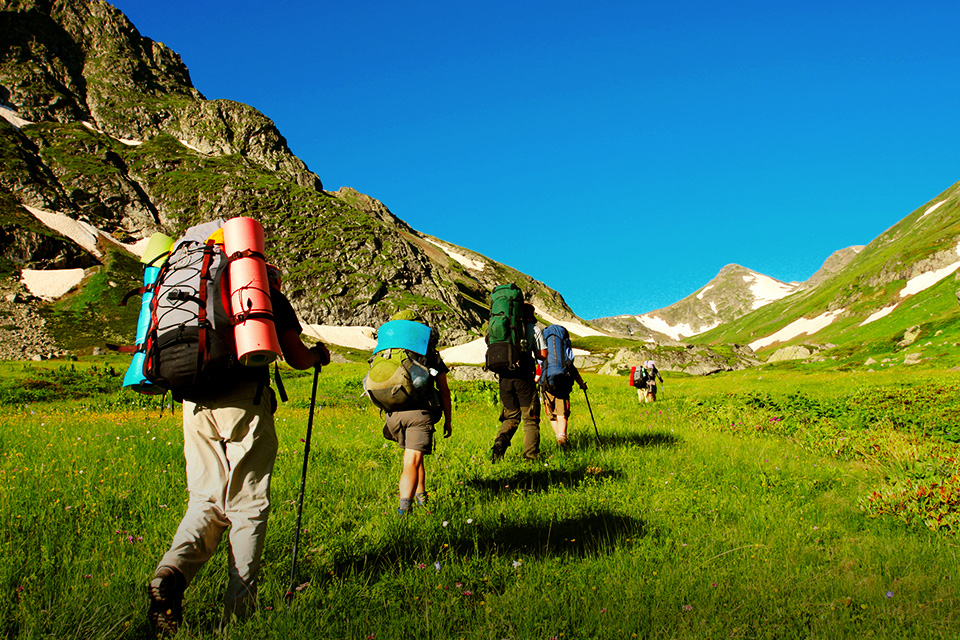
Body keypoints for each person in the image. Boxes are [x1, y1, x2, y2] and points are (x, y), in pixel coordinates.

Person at [147, 271, 330, 634]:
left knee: (204, 501)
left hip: (193, 402)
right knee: (247, 504)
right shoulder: (262, 293)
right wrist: (317, 356)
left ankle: (171, 572)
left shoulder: (195, 292)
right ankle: (239, 611)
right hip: (243, 399)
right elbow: (296, 357)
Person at [379, 310, 453, 515]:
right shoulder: (428, 354)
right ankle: (404, 510)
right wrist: (448, 420)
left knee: (414, 456)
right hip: (418, 414)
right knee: (411, 461)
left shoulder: (388, 352)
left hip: (392, 413)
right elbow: (444, 390)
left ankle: (422, 497)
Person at [491, 303, 548, 462]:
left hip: (504, 379)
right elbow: (542, 355)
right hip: (523, 378)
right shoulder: (532, 328)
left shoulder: (503, 329)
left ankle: (500, 442)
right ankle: (531, 457)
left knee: (511, 417)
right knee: (531, 419)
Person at [540, 359, 587, 447]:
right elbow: (575, 373)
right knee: (562, 414)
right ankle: (561, 439)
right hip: (562, 389)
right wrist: (582, 385)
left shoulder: (544, 359)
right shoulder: (564, 358)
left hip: (547, 389)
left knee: (552, 416)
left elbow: (538, 374)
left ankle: (558, 438)